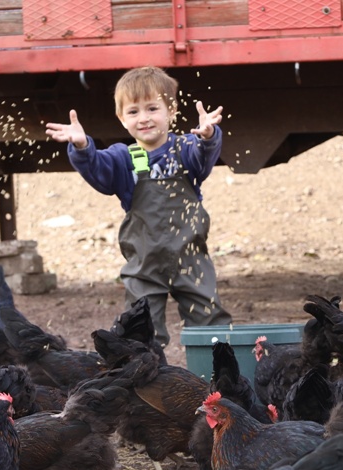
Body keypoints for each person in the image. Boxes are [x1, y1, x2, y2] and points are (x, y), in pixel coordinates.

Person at [45, 66, 232, 347]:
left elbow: (203, 157)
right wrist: (83, 148)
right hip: (145, 263)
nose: (143, 118)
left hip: (191, 258)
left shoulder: (186, 149)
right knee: (140, 329)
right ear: (122, 119)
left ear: (171, 111)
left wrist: (208, 137)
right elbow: (99, 169)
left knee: (210, 322)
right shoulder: (123, 158)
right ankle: (149, 374)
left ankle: (215, 370)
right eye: (133, 112)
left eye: (152, 108)